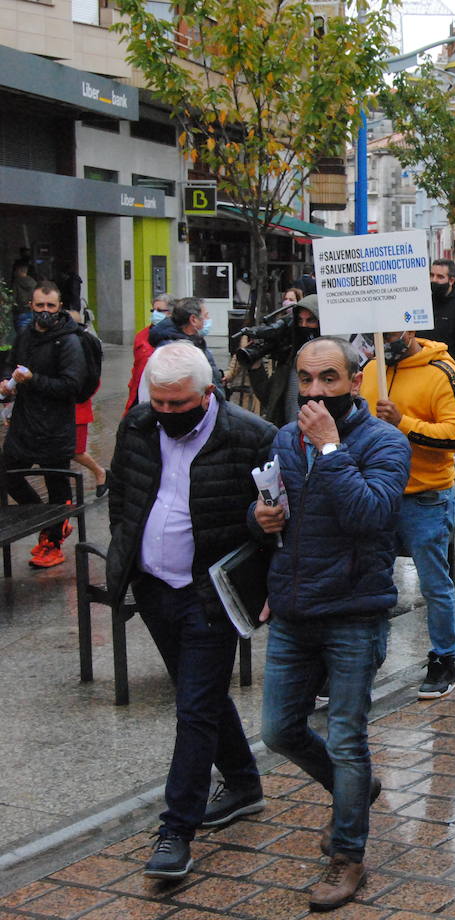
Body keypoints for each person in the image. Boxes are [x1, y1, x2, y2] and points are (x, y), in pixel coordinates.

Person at [105, 342, 276, 880]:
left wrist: (262, 536)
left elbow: (272, 519)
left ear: (208, 394)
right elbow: (122, 495)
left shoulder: (251, 435)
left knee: (194, 709)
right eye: (160, 403)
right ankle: (245, 784)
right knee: (196, 693)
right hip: (155, 587)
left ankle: (176, 830)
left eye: (179, 404)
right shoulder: (137, 425)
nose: (168, 413)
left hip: (212, 592)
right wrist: (127, 553)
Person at [252, 337, 410, 911]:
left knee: (347, 737)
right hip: (294, 610)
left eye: (329, 379)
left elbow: (371, 514)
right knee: (278, 730)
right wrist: (261, 516)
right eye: (306, 379)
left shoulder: (385, 442)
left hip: (354, 612)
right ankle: (356, 792)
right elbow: (277, 512)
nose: (315, 391)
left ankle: (347, 856)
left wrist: (329, 448)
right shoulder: (284, 438)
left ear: (354, 381)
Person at [360, 327, 455, 700]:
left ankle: (443, 657)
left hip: (426, 497)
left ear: (409, 328)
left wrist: (402, 423)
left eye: (389, 332)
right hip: (377, 495)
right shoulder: (371, 368)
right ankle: (363, 660)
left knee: (434, 585)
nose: (382, 339)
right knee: (371, 582)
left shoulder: (441, 371)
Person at [0, 282, 85, 568]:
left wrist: (33, 380)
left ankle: (52, 542)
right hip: (24, 422)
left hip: (55, 426)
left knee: (57, 483)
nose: (45, 311)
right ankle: (47, 519)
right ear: (31, 307)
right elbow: (11, 363)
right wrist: (7, 382)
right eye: (40, 306)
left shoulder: (69, 341)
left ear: (59, 307)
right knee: (7, 473)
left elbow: (72, 385)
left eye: (51, 306)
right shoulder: (25, 334)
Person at [246, 295, 322, 426]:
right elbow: (270, 398)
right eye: (300, 320)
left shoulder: (332, 363)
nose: (304, 326)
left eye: (310, 320)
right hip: (288, 436)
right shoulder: (289, 360)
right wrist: (255, 366)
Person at [66, 305, 107, 496]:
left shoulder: (84, 345)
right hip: (64, 409)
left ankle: (100, 473)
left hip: (78, 409)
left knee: (76, 451)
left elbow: (92, 380)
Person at [148, 297, 222, 391]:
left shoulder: (194, 340)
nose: (208, 320)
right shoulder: (175, 351)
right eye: (206, 316)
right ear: (193, 320)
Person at [126, 292, 172, 414]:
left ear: (171, 313)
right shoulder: (141, 335)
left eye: (160, 310)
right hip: (141, 393)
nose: (155, 314)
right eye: (153, 310)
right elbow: (136, 366)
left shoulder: (176, 336)